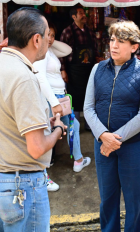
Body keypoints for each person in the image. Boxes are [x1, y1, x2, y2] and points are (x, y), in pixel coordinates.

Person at [0, 7, 66, 232]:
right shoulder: (23, 76)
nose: (48, 42)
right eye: (47, 37)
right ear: (36, 39)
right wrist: (57, 129)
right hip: (21, 185)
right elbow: (36, 148)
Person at [84, 21, 140, 232]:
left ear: (134, 46)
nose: (113, 45)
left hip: (134, 146)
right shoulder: (97, 69)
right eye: (112, 39)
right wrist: (102, 135)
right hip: (103, 146)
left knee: (134, 201)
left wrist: (114, 139)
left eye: (121, 41)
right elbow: (88, 108)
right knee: (108, 198)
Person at [33, 22, 92, 192]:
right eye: (47, 35)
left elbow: (67, 50)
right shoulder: (41, 53)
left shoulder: (49, 50)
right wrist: (54, 102)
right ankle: (42, 174)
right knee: (46, 132)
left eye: (52, 35)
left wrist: (49, 40)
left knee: (73, 125)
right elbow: (41, 79)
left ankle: (78, 160)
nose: (50, 38)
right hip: (51, 99)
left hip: (60, 97)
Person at [60, 6, 98, 129]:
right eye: (80, 13)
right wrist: (63, 70)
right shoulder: (68, 31)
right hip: (73, 72)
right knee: (74, 99)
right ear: (73, 16)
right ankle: (74, 126)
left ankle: (89, 125)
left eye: (84, 13)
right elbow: (61, 53)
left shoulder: (90, 32)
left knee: (89, 97)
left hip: (88, 70)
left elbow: (95, 51)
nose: (84, 15)